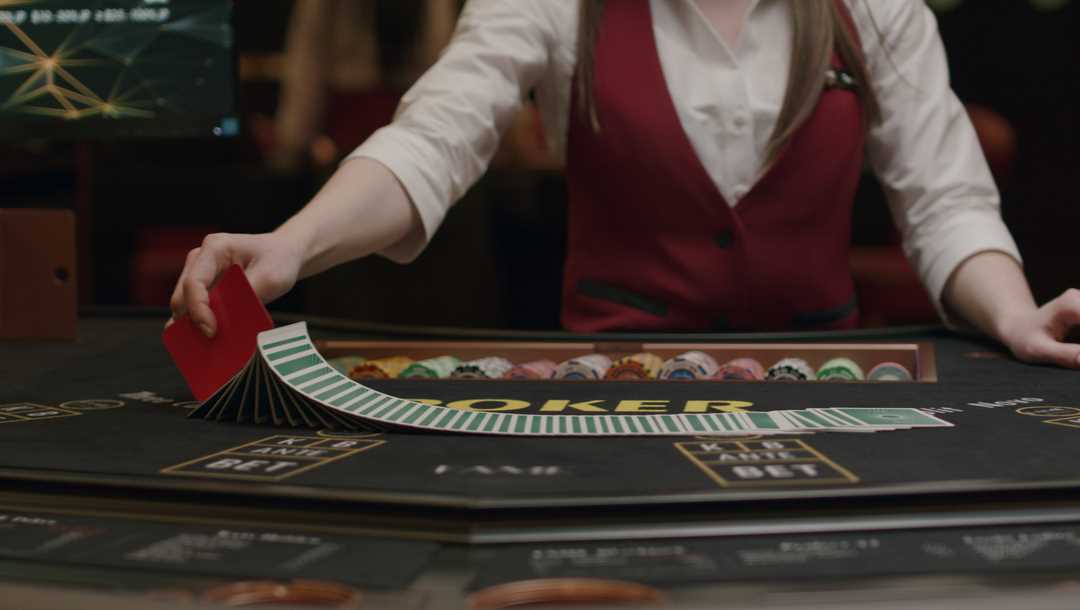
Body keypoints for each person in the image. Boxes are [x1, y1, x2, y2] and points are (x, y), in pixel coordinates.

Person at [172, 0, 1080, 369]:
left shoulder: (878, 5)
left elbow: (945, 197)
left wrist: (1014, 316)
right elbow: (433, 139)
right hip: (614, 383)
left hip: (820, 377)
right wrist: (290, 244)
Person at [266, 0, 459, 171]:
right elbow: (310, 54)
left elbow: (442, 48)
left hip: (416, 117)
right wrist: (292, 143)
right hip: (349, 125)